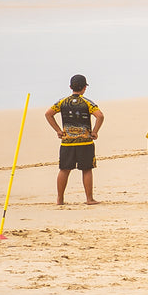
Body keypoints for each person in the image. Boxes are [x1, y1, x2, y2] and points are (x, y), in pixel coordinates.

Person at [44, 74, 104, 205]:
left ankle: (60, 199)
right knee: (86, 169)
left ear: (70, 87)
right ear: (84, 88)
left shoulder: (62, 102)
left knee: (64, 169)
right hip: (85, 142)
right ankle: (89, 199)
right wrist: (95, 132)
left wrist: (58, 130)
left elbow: (48, 114)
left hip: (67, 142)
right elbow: (100, 116)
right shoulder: (87, 102)